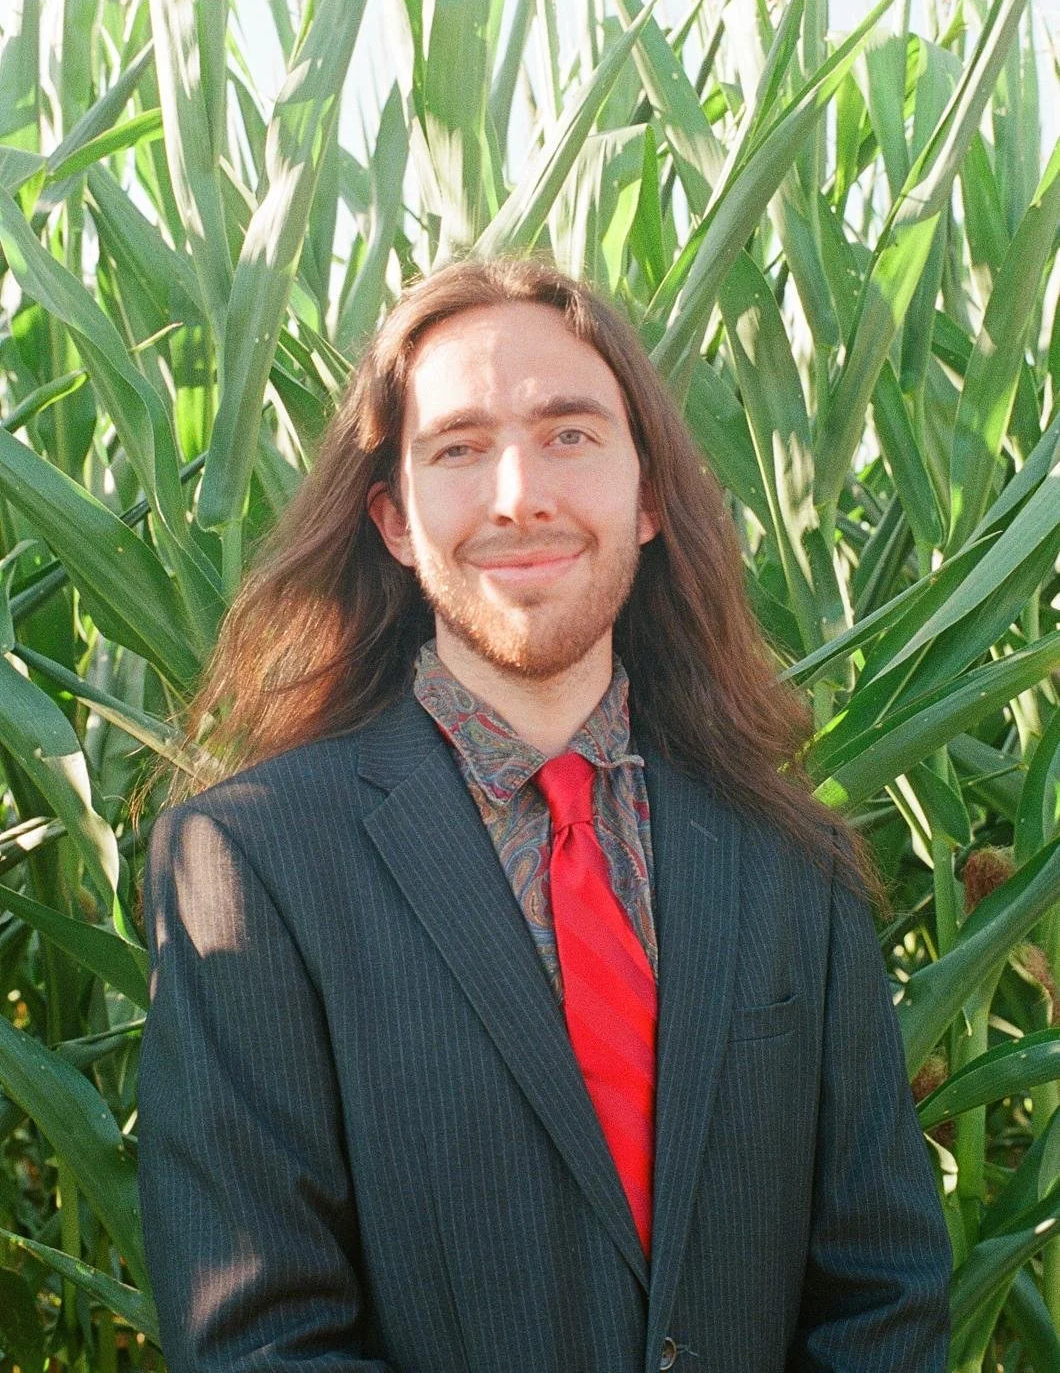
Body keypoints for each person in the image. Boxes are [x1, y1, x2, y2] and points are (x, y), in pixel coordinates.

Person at [138, 258, 951, 1373]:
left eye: (569, 434)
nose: (518, 492)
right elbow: (258, 1337)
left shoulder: (788, 859)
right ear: (394, 520)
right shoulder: (252, 861)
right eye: (459, 449)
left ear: (650, 496)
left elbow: (883, 1292)